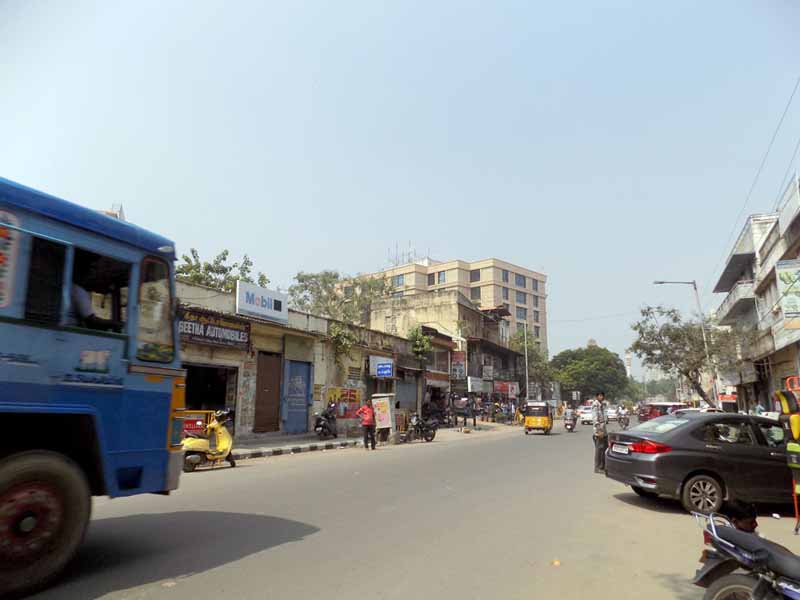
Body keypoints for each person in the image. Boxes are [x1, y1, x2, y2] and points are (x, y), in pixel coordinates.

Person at [592, 392, 608, 473]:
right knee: (599, 450)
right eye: (600, 396)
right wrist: (599, 431)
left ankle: (603, 466)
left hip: (604, 430)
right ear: (597, 397)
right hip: (599, 431)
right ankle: (597, 468)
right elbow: (595, 419)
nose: (601, 397)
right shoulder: (595, 405)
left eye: (602, 396)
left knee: (605, 449)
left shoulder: (602, 404)